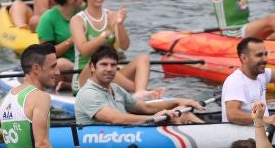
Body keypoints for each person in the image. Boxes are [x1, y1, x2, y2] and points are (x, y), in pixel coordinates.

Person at [70, 0, 159, 98]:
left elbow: (124, 46)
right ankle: (138, 91)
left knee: (143, 59)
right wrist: (107, 32)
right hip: (85, 76)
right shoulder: (77, 20)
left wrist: (120, 24)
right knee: (105, 65)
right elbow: (84, 50)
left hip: (109, 73)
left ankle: (140, 92)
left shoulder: (111, 15)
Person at [75, 46, 204, 125]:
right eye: (104, 64)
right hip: (106, 136)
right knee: (177, 117)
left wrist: (177, 101)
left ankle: (216, 136)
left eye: (113, 65)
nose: (109, 69)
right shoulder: (88, 93)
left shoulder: (116, 88)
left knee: (182, 112)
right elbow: (115, 118)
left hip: (126, 130)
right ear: (92, 67)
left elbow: (145, 108)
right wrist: (153, 118)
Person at [36, 0, 81, 90]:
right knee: (61, 64)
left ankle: (71, 85)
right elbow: (46, 55)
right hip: (64, 66)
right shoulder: (48, 18)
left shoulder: (84, 12)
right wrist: (71, 41)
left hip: (84, 63)